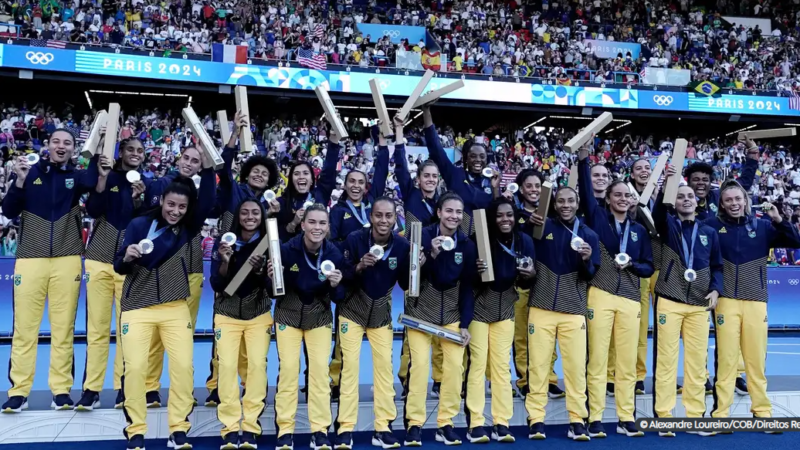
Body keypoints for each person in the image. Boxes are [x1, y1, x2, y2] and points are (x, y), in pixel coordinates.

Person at [114, 172, 215, 450]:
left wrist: (209, 168)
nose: (176, 211)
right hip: (137, 307)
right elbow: (118, 265)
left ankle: (179, 429)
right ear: (162, 202)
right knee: (134, 368)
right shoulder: (138, 225)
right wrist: (127, 257)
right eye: (171, 205)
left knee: (183, 368)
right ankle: (135, 430)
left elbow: (207, 200)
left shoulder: (187, 228)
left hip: (175, 307)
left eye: (182, 207)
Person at [1, 129, 99, 413]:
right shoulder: (29, 173)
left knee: (63, 328)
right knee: (24, 330)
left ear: (73, 149)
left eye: (67, 143)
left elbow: (93, 180)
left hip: (67, 259)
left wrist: (94, 148)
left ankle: (61, 390)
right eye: (56, 141)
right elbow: (8, 211)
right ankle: (19, 391)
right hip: (30, 258)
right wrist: (18, 181)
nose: (61, 146)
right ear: (47, 145)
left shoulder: (78, 177)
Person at [707, 179, 800, 424]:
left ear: (746, 201)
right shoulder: (712, 227)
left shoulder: (763, 226)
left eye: (738, 199)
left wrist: (779, 219)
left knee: (756, 361)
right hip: (725, 301)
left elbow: (795, 241)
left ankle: (762, 412)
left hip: (756, 300)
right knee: (726, 361)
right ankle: (720, 414)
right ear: (722, 205)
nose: (734, 203)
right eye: (729, 200)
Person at [577, 145, 654, 438]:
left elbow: (648, 267)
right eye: (617, 194)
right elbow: (585, 192)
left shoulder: (640, 232)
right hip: (600, 293)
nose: (623, 199)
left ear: (632, 200)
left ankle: (626, 416)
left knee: (625, 361)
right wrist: (584, 159)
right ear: (608, 199)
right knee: (597, 359)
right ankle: (594, 417)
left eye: (627, 195)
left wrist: (632, 264)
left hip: (631, 299)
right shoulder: (597, 220)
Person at [205, 112, 280, 407]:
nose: (259, 175)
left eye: (265, 173)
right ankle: (215, 386)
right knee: (221, 332)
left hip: (256, 269)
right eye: (255, 171)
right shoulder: (232, 191)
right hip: (228, 261)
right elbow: (223, 164)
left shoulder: (270, 204)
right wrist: (235, 134)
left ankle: (251, 387)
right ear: (246, 173)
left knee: (253, 331)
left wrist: (276, 214)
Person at [141, 145, 218, 407]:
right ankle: (150, 389)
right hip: (158, 271)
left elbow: (209, 201)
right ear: (178, 158)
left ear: (199, 166)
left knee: (183, 339)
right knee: (154, 336)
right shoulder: (158, 185)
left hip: (191, 273)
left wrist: (210, 168)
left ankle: (182, 392)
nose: (189, 163)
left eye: (196, 161)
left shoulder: (197, 199)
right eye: (186, 158)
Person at [335, 196, 415, 450]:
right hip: (352, 312)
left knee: (384, 371)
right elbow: (340, 275)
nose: (383, 220)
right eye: (378, 215)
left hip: (381, 315)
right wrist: (358, 267)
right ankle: (345, 428)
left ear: (395, 218)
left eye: (388, 216)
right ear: (371, 217)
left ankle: (383, 427)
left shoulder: (402, 246)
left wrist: (417, 267)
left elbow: (405, 284)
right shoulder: (355, 239)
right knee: (349, 372)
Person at [403, 192, 478, 447]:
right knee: (420, 368)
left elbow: (467, 286)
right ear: (439, 212)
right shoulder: (421, 236)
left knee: (456, 368)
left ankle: (445, 423)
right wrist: (431, 255)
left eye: (458, 212)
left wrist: (465, 323)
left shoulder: (467, 244)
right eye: (449, 211)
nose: (454, 216)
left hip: (451, 316)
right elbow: (409, 280)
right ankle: (414, 424)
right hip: (420, 312)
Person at [525, 187, 599, 441]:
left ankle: (577, 419)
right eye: (560, 201)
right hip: (541, 307)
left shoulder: (589, 235)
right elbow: (519, 237)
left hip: (574, 310)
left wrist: (587, 260)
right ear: (554, 204)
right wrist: (527, 219)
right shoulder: (541, 227)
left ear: (578, 203)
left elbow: (591, 275)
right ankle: (536, 419)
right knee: (538, 367)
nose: (566, 205)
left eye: (570, 200)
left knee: (576, 368)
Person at [269, 204, 345, 450]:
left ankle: (320, 430)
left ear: (328, 227)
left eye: (322, 223)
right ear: (302, 225)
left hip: (319, 319)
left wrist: (336, 285)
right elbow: (273, 291)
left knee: (320, 374)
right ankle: (285, 430)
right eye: (312, 222)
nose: (317, 227)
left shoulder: (333, 254)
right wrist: (271, 277)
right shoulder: (286, 249)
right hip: (288, 317)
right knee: (289, 371)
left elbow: (339, 298)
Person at [80, 135, 147, 410]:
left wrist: (137, 200)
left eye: (140, 150)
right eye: (130, 149)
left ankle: (123, 388)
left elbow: (141, 223)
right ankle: (91, 390)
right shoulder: (107, 174)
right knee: (96, 329)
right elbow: (94, 210)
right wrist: (103, 179)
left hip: (127, 265)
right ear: (120, 152)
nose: (135, 153)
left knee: (126, 330)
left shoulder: (145, 183)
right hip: (97, 260)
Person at [651, 181, 723, 435]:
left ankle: (695, 418)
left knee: (696, 364)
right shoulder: (668, 226)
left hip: (699, 304)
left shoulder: (709, 232)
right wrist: (665, 190)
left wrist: (715, 289)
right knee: (667, 361)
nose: (686, 200)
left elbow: (717, 266)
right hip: (669, 300)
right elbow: (658, 213)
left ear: (697, 201)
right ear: (675, 201)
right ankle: (665, 417)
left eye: (690, 196)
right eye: (680, 197)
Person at [464, 197, 535, 444]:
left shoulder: (524, 240)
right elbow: (467, 278)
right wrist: (475, 270)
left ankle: (501, 422)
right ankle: (475, 423)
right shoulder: (479, 240)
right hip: (479, 308)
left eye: (509, 215)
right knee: (478, 366)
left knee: (502, 368)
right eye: (500, 216)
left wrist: (530, 275)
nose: (505, 220)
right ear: (492, 218)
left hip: (506, 308)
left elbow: (528, 280)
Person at [328, 122, 389, 401]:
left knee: (380, 337)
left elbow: (382, 174)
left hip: (377, 280)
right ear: (346, 185)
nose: (355, 185)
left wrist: (383, 144)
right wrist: (356, 250)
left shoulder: (373, 208)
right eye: (351, 181)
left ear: (366, 188)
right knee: (344, 337)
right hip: (352, 276)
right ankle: (336, 381)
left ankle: (383, 386)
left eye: (360, 183)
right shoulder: (339, 211)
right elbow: (333, 245)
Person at [210, 199, 272, 450]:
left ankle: (251, 426)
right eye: (245, 212)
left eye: (255, 212)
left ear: (262, 216)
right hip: (227, 313)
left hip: (258, 314)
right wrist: (225, 260)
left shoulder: (270, 243)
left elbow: (274, 287)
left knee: (257, 366)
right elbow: (217, 284)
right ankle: (230, 427)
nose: (249, 216)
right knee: (226, 368)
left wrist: (260, 274)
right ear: (238, 216)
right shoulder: (225, 241)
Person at [394, 126, 444, 399]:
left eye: (435, 176)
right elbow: (400, 165)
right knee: (413, 325)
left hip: (439, 266)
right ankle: (407, 378)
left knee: (440, 325)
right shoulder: (411, 196)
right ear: (418, 179)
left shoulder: (442, 203)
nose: (431, 180)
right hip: (415, 267)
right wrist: (400, 133)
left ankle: (439, 378)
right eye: (426, 175)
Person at [508, 169, 563, 399]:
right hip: (521, 279)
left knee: (548, 333)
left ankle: (549, 378)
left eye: (537, 186)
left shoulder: (553, 213)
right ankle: (524, 380)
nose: (533, 190)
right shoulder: (512, 214)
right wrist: (524, 222)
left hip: (547, 281)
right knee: (521, 333)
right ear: (521, 189)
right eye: (528, 186)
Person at [608, 158, 659, 396]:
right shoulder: (623, 198)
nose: (643, 172)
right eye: (638, 168)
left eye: (647, 168)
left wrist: (655, 200)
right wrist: (632, 204)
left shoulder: (658, 197)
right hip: (628, 271)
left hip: (655, 269)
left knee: (648, 327)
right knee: (627, 326)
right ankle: (612, 374)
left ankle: (639, 375)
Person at [422, 105, 498, 236]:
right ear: (466, 159)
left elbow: (498, 211)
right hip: (456, 240)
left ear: (486, 159)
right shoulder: (455, 174)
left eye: (482, 156)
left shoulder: (491, 181)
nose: (477, 160)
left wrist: (496, 189)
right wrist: (426, 110)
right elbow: (436, 149)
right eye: (473, 156)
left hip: (484, 241)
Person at [275, 131, 340, 242]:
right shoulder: (281, 202)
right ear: (291, 180)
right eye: (296, 174)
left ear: (311, 180)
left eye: (305, 173)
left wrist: (333, 139)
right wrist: (293, 223)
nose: (301, 177)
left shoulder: (320, 194)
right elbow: (276, 237)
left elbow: (328, 171)